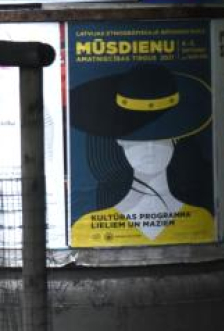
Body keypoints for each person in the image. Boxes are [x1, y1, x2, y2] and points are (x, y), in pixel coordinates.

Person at [69, 63, 215, 247]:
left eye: (160, 138)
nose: (150, 148)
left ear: (175, 140)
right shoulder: (87, 225)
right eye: (137, 140)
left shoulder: (202, 219)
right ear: (120, 142)